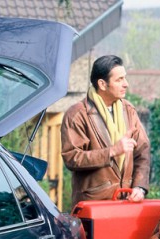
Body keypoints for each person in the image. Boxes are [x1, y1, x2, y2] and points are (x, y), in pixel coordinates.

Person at [61, 55, 151, 204]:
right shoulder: (77, 114)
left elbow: (143, 152)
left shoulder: (129, 110)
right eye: (119, 80)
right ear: (102, 84)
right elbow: (72, 158)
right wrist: (111, 151)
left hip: (127, 202)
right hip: (94, 205)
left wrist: (139, 187)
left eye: (125, 78)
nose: (126, 84)